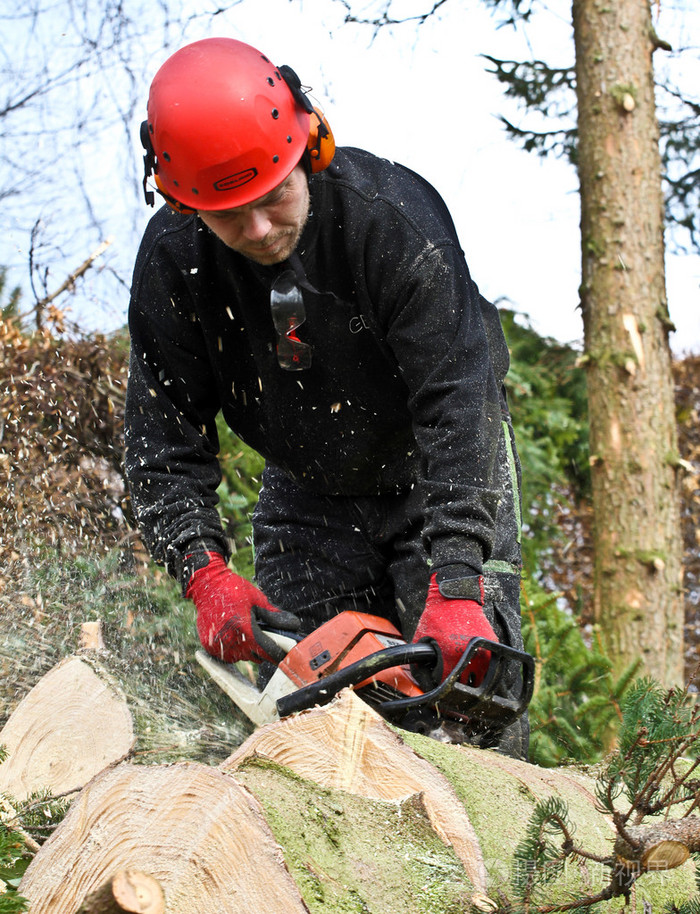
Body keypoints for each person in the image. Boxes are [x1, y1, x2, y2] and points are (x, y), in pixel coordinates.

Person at [125, 37, 528, 758]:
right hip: (307, 486)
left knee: (469, 705)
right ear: (183, 201)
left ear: (310, 146)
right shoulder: (175, 264)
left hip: (437, 471)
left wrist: (459, 578)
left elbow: (459, 401)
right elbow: (162, 437)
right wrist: (202, 570)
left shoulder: (393, 223)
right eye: (229, 214)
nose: (258, 230)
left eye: (272, 197)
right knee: (310, 725)